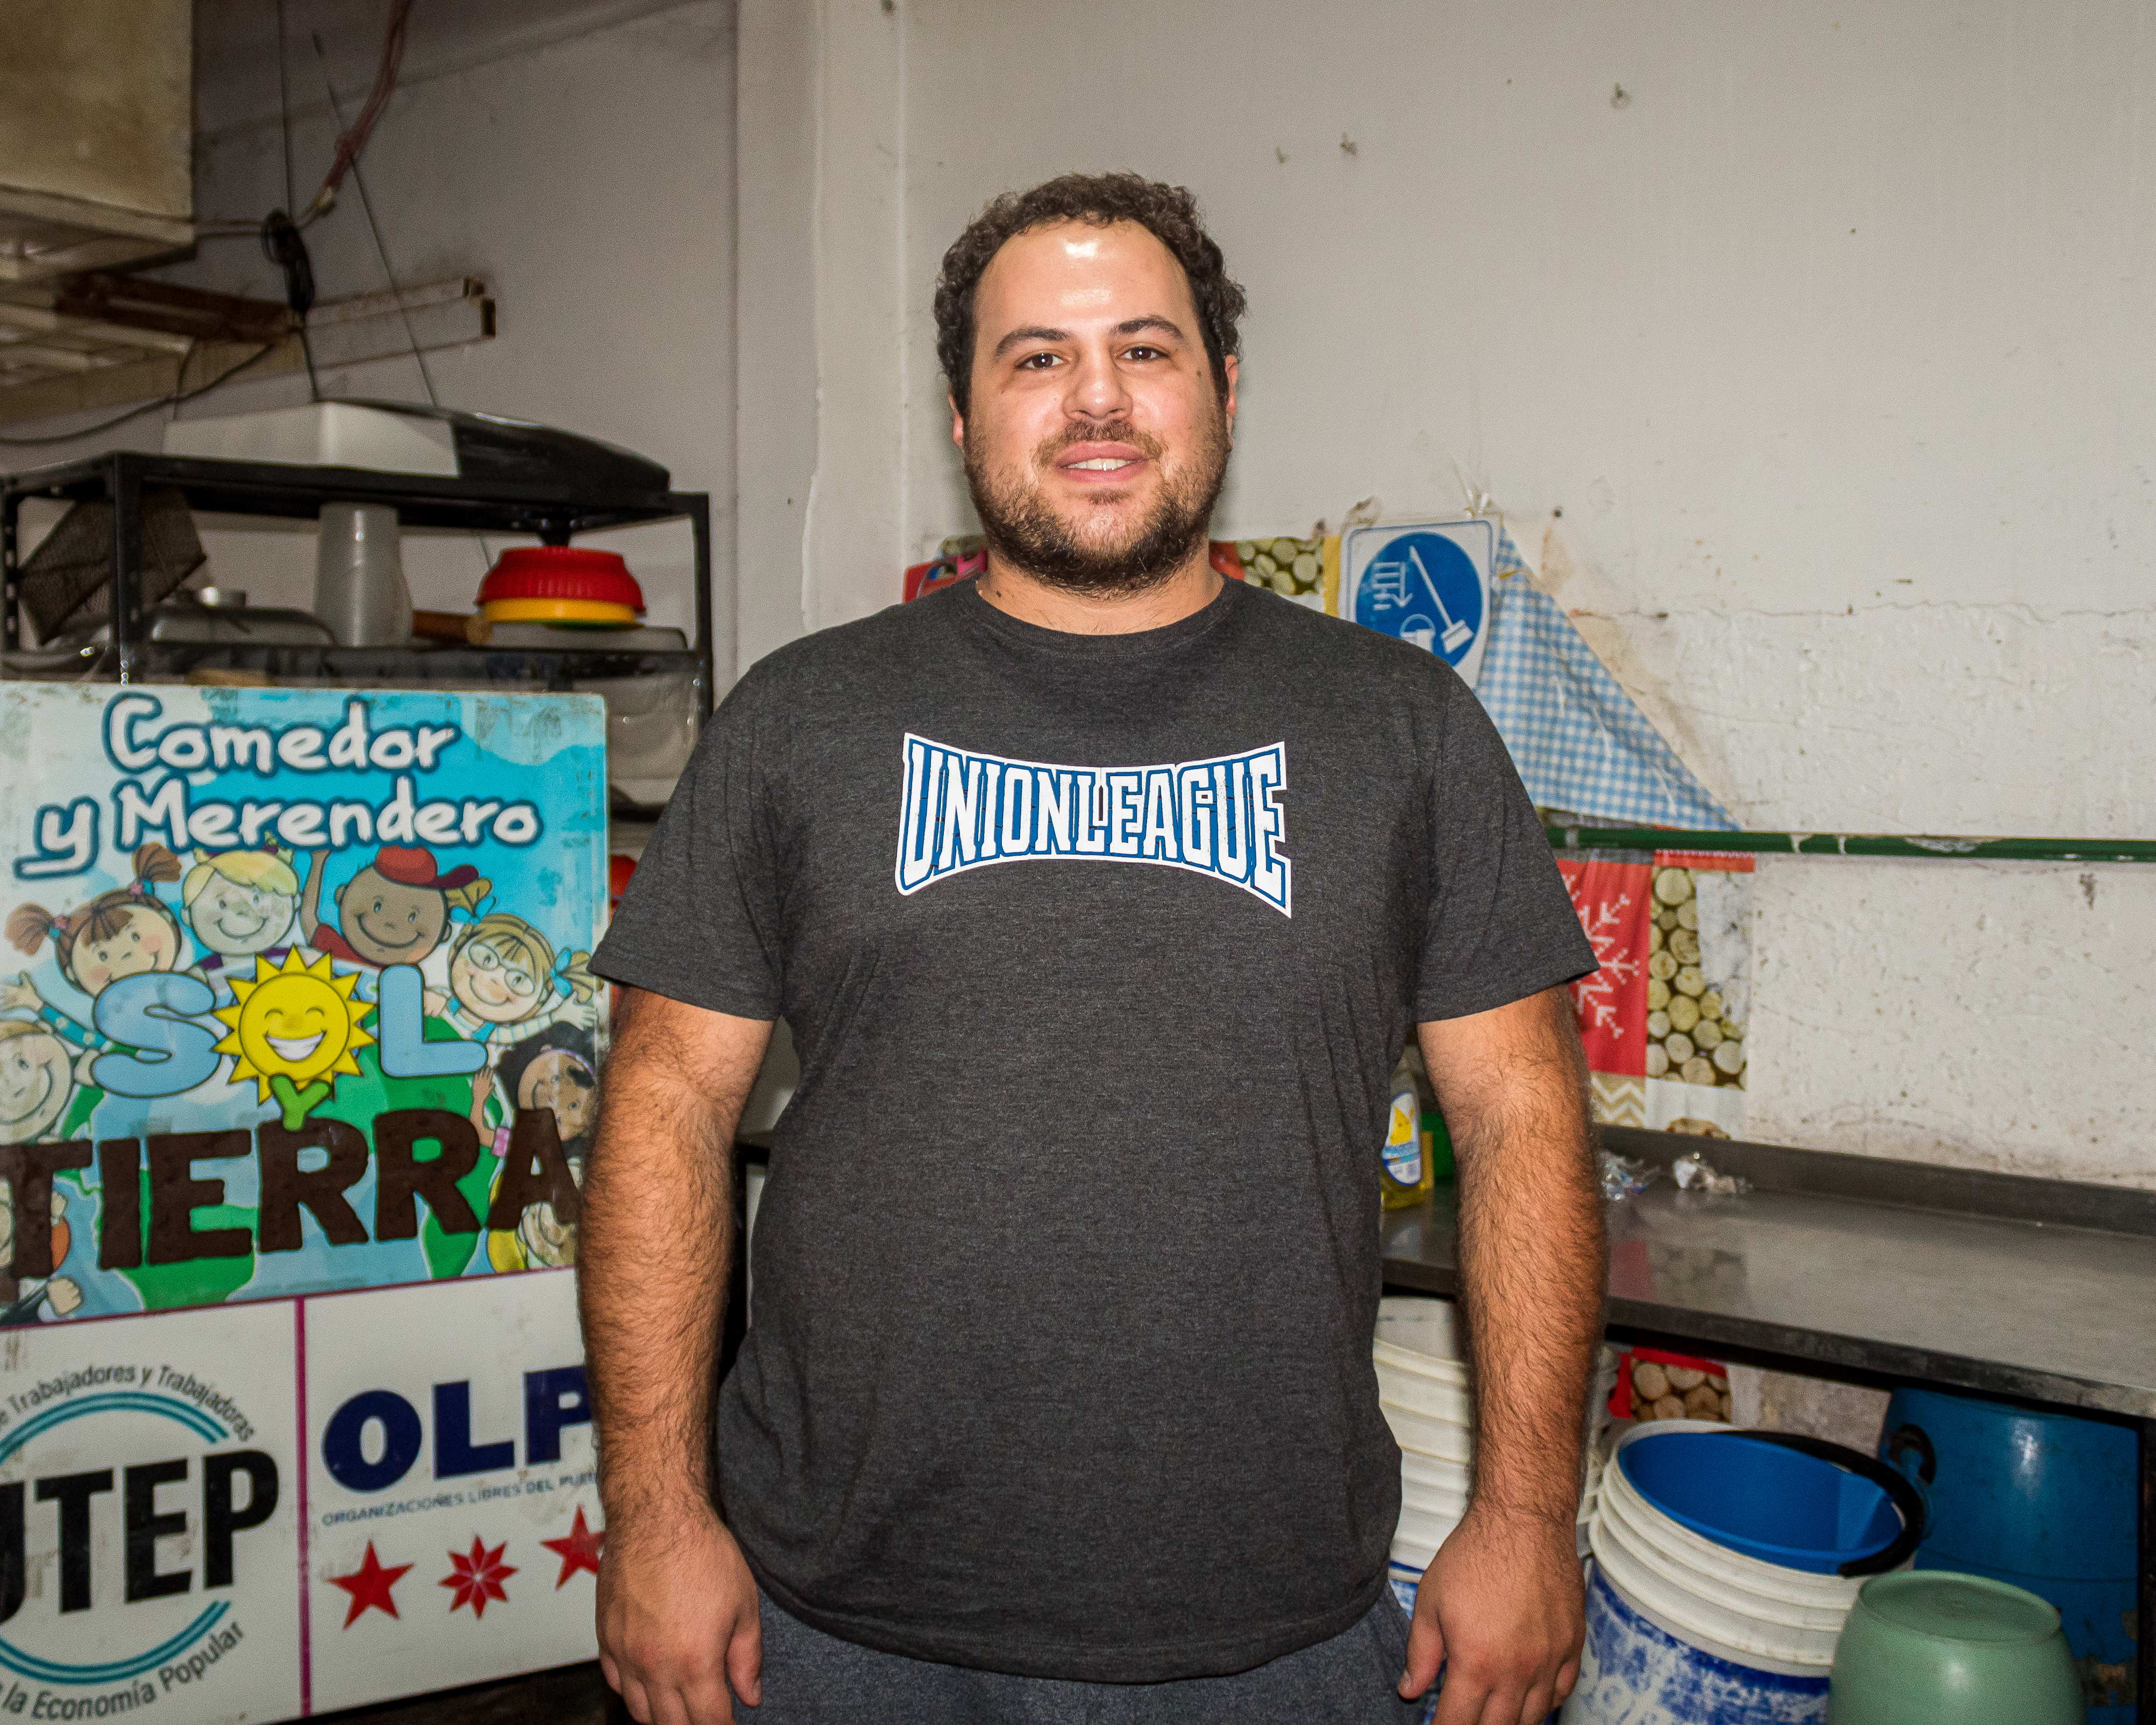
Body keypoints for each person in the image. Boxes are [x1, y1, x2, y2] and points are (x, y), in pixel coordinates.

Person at [582, 172, 1606, 1725]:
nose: (1098, 400)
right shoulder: (801, 718)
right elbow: (659, 1109)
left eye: (1145, 346)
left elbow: (1522, 1116)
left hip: (1272, 1627)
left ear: (1222, 388)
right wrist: (656, 1519)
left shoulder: (1402, 726)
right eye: (1036, 357)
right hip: (834, 1617)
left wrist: (1528, 1518)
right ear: (961, 412)